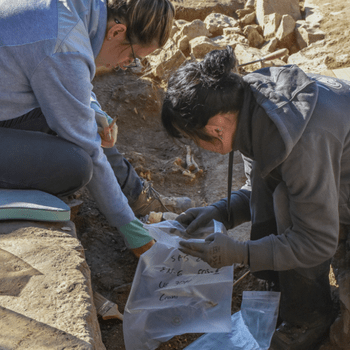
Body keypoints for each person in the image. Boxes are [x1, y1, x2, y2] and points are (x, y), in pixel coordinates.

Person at [161, 46, 350, 349]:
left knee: (287, 203)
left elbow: (316, 241)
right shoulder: (247, 106)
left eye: (193, 138)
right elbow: (258, 185)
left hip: (339, 188)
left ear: (215, 128)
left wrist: (240, 253)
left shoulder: (300, 139)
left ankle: (309, 317)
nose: (197, 146)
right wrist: (221, 211)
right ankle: (279, 288)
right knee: (275, 193)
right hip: (333, 176)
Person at [0, 0, 193, 257]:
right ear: (116, 32)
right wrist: (129, 228)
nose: (125, 65)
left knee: (87, 124)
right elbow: (88, 148)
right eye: (132, 57)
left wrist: (96, 113)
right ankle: (134, 206)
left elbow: (73, 78)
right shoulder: (64, 43)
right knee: (75, 166)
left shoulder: (82, 10)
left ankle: (136, 197)